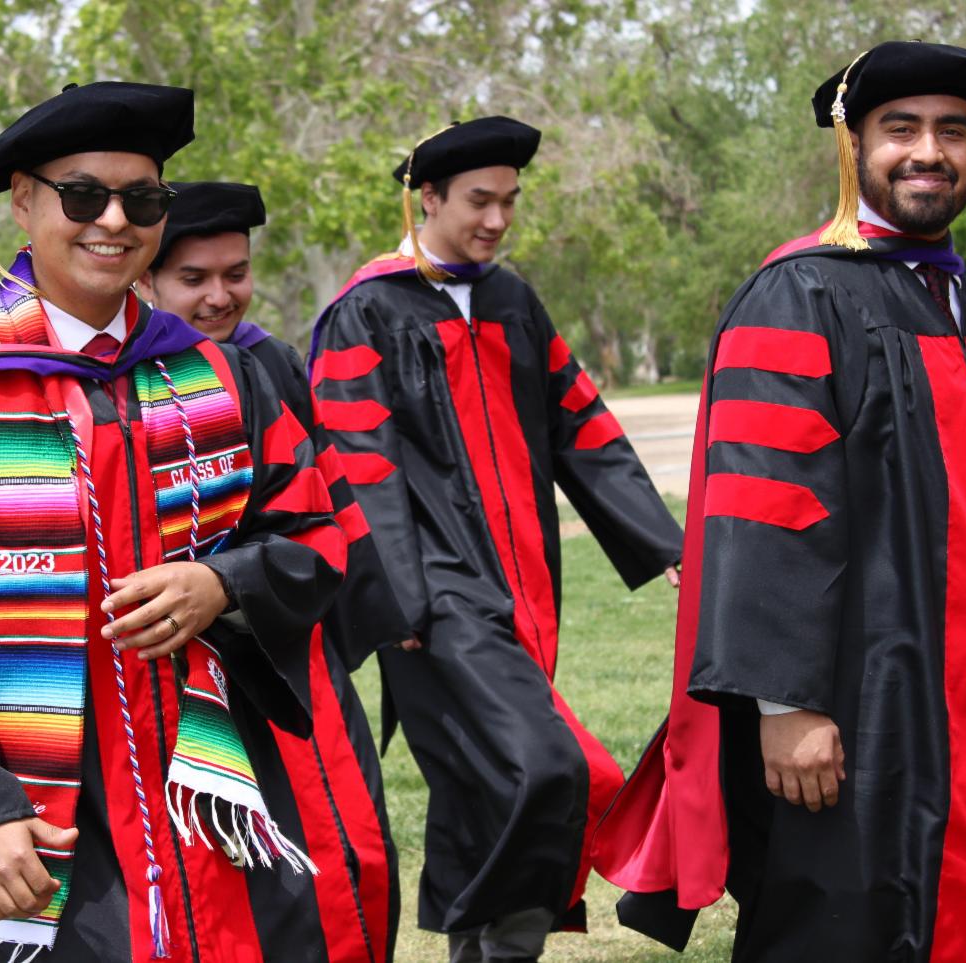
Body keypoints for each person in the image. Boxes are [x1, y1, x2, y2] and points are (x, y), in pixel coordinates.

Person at [0, 81, 350, 963]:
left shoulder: (223, 379)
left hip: (206, 787)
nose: (114, 219)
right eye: (82, 195)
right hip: (33, 808)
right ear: (23, 203)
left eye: (142, 199)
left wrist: (223, 582)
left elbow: (315, 535)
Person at [593, 40, 966, 962]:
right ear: (854, 147)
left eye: (954, 131)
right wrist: (784, 704)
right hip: (860, 703)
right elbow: (763, 514)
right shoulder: (801, 292)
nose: (929, 151)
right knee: (843, 922)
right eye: (901, 129)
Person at [308, 116, 684, 962]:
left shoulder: (512, 302)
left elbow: (581, 425)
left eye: (510, 201)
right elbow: (355, 463)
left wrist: (664, 542)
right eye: (480, 200)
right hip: (433, 590)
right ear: (427, 197)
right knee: (551, 767)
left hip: (525, 584)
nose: (498, 219)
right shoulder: (368, 309)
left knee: (481, 785)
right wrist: (394, 596)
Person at [138, 180, 402, 963]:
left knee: (349, 854)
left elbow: (326, 504)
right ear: (147, 277)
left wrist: (373, 615)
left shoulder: (268, 362)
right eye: (194, 278)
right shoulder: (123, 380)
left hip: (285, 637)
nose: (220, 296)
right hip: (175, 673)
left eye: (237, 272)